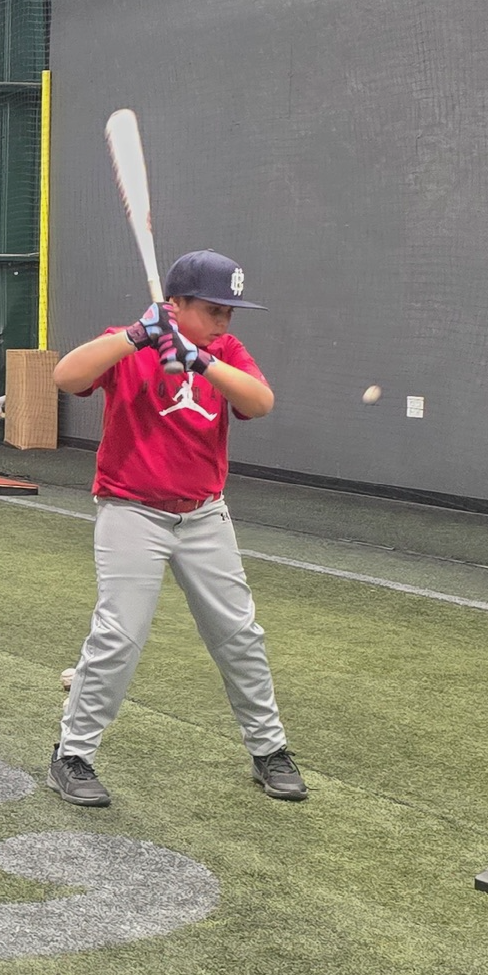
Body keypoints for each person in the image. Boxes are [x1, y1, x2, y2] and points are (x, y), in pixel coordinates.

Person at [45, 249, 306, 807]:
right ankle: (72, 754)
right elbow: (66, 375)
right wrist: (141, 335)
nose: (223, 322)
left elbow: (260, 403)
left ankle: (269, 749)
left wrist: (199, 359)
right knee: (119, 633)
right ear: (177, 304)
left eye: (229, 312)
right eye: (213, 309)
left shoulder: (224, 351)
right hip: (130, 509)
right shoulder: (129, 340)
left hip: (204, 513)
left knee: (239, 635)